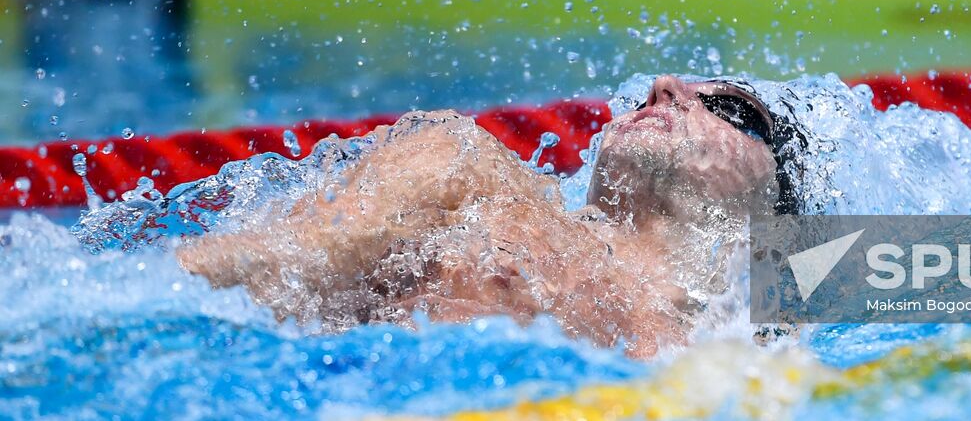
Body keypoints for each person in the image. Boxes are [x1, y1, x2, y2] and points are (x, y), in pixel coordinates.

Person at [175, 76, 805, 358]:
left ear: (769, 199)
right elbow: (245, 276)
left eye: (731, 108)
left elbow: (901, 269)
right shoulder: (472, 180)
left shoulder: (757, 312)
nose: (664, 86)